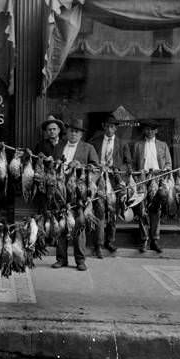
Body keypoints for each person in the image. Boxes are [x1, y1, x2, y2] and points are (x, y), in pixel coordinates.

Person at [52, 117, 99, 271]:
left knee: (79, 226)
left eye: (77, 131)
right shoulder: (59, 146)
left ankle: (80, 260)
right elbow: (52, 166)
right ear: (67, 132)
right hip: (61, 191)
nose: (73, 134)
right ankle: (61, 259)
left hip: (79, 192)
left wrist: (81, 166)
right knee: (61, 225)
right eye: (71, 130)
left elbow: (96, 168)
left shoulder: (88, 148)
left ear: (81, 134)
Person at [90, 115, 132, 256]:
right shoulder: (95, 142)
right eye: (107, 126)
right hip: (99, 180)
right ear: (103, 126)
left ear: (116, 128)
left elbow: (128, 163)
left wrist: (118, 168)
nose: (109, 129)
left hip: (114, 181)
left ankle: (110, 241)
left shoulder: (122, 144)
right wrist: (96, 167)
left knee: (113, 212)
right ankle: (98, 245)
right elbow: (89, 160)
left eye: (112, 126)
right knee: (100, 211)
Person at [132, 119, 172, 253]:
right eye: (147, 129)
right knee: (142, 210)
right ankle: (144, 240)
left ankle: (154, 240)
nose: (149, 131)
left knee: (155, 210)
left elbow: (168, 164)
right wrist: (137, 173)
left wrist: (165, 169)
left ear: (156, 131)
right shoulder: (138, 145)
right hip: (142, 179)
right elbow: (132, 164)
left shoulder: (163, 145)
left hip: (157, 178)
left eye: (151, 129)